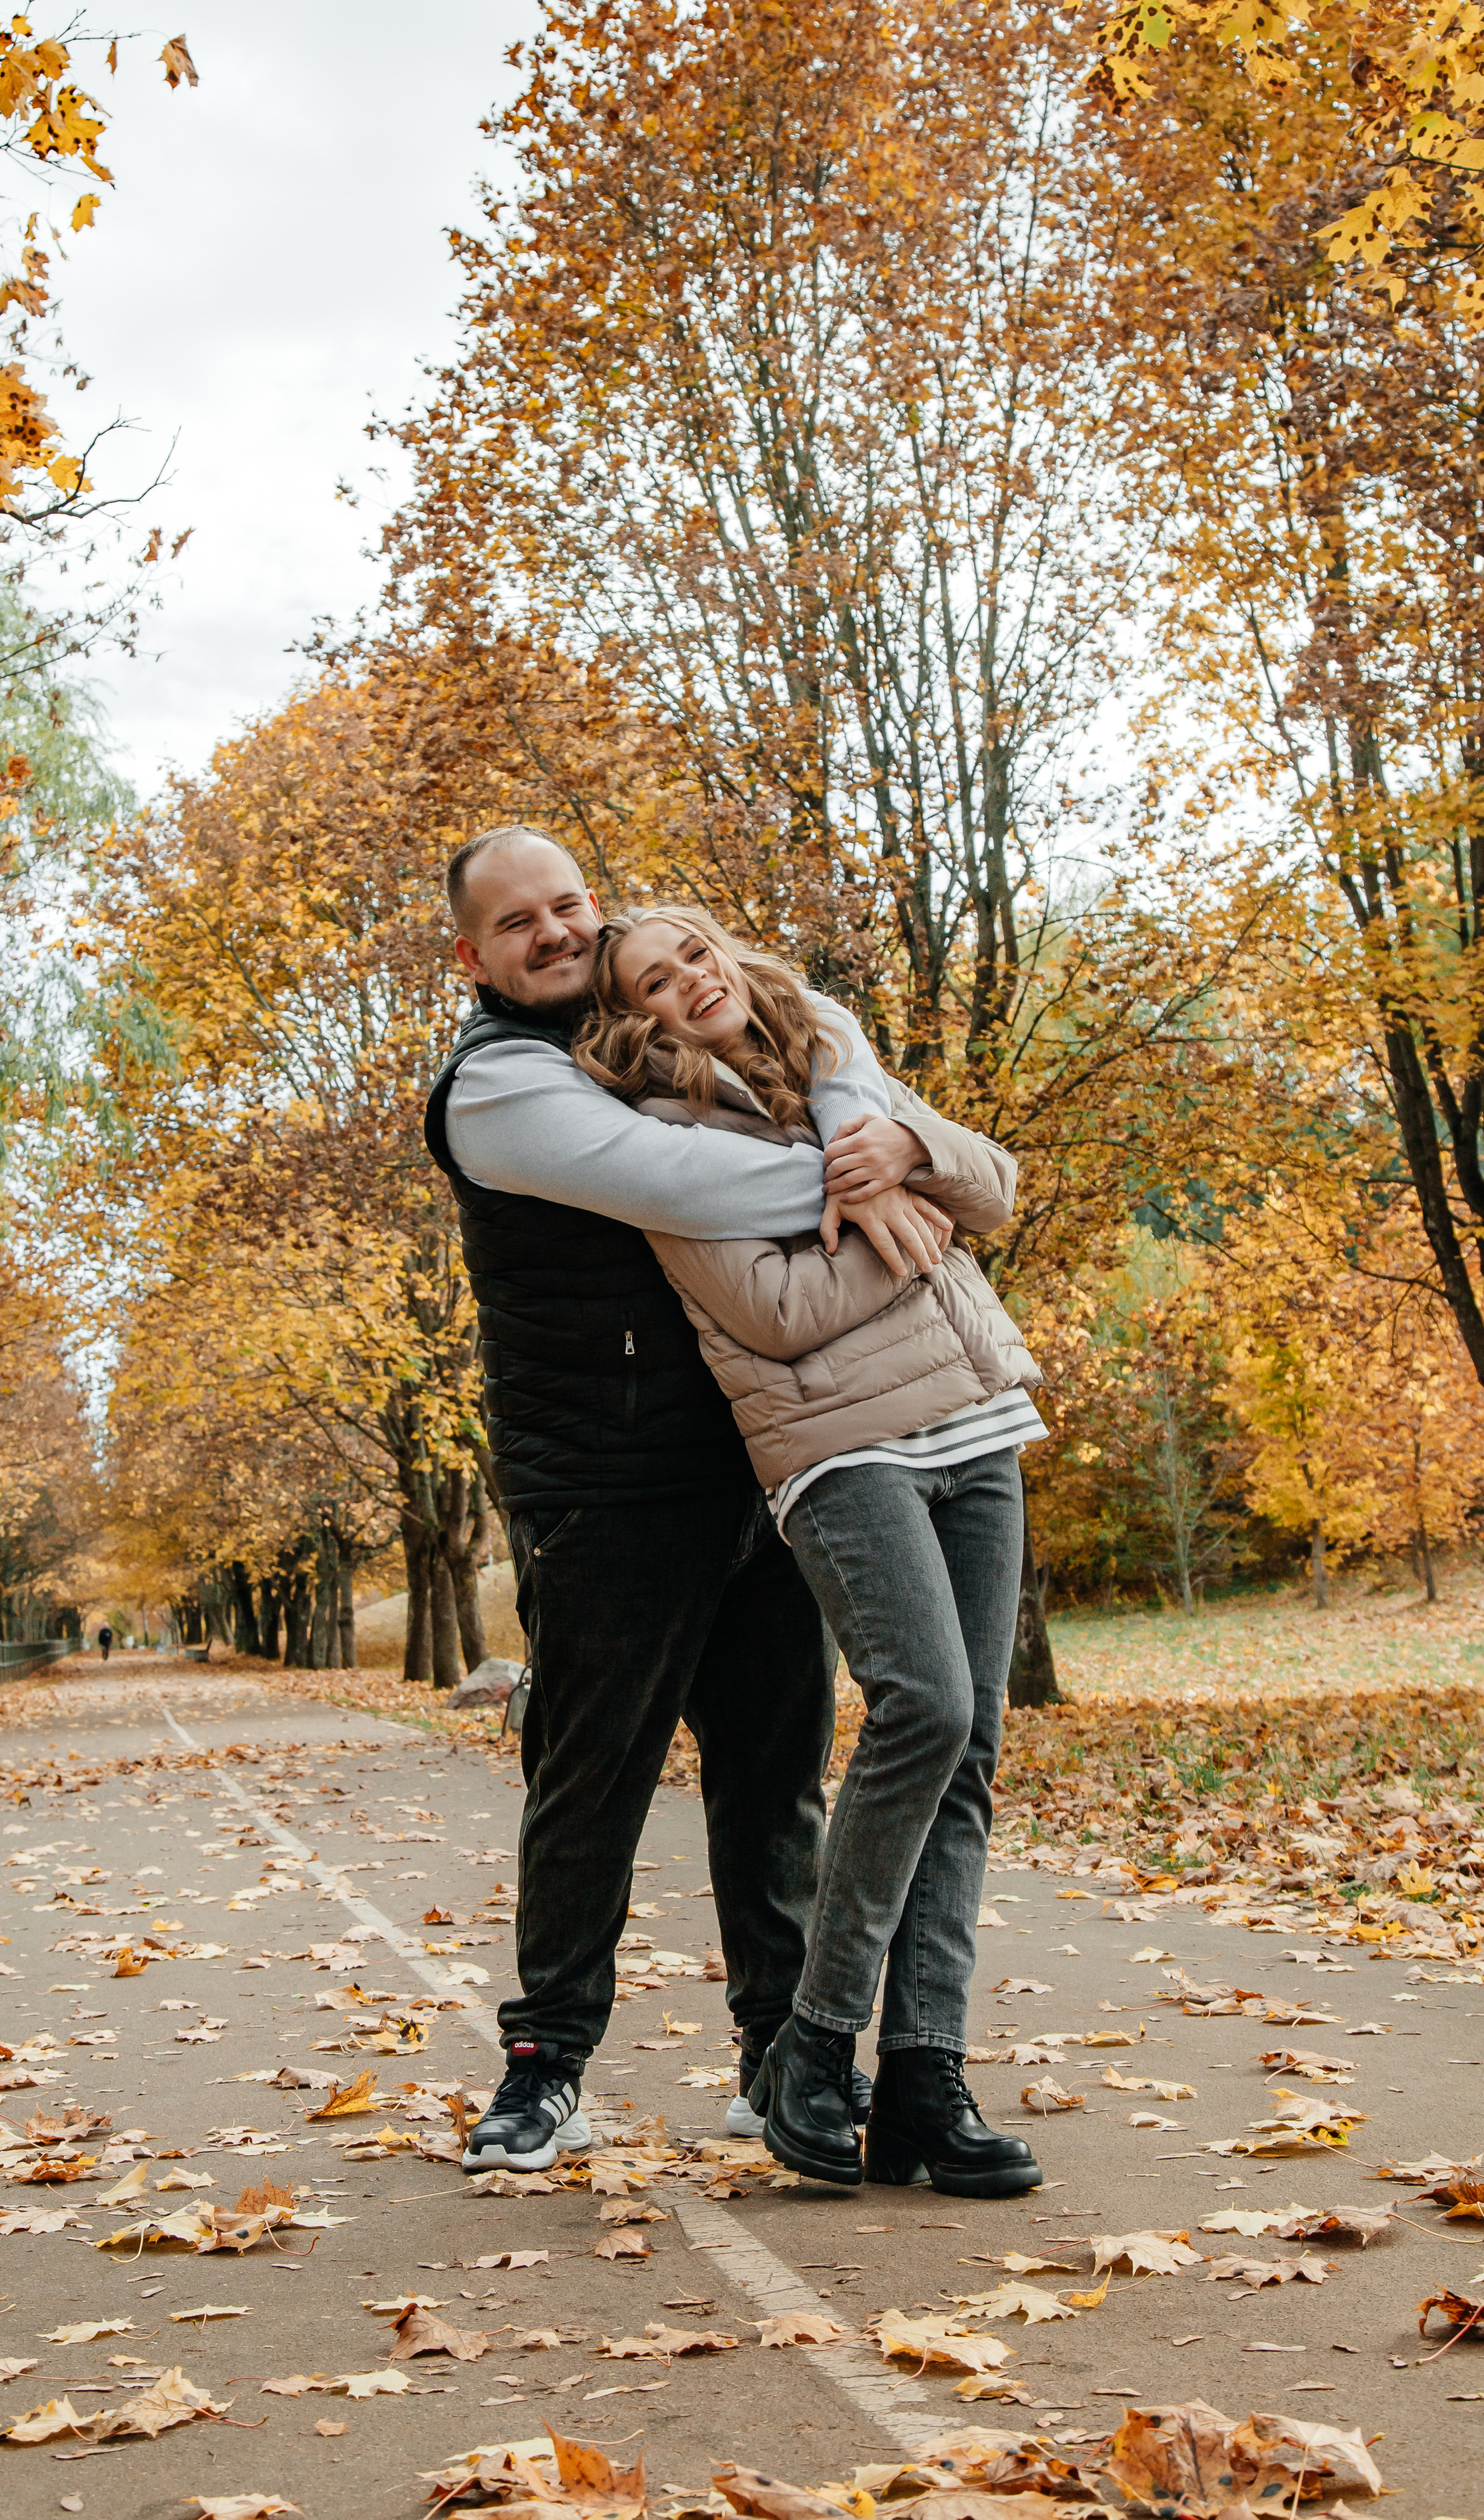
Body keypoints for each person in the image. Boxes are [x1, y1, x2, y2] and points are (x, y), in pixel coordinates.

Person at [423, 825, 947, 2174]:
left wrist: (873, 1121)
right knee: (592, 1774)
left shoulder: (644, 1022)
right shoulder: (496, 1084)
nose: (552, 932)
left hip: (757, 1453)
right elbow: (685, 1182)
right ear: (471, 956)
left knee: (776, 1777)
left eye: (565, 904)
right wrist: (873, 1161)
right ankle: (544, 2065)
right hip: (604, 1483)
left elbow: (810, 1025)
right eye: (515, 922)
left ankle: (775, 2055)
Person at [574, 902, 1047, 2195]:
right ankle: (814, 2046)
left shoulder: (837, 1068)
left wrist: (907, 1150)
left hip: (975, 1421)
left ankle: (925, 2081)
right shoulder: (663, 1144)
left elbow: (995, 1189)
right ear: (632, 1019)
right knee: (924, 1707)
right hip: (841, 1451)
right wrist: (910, 1228)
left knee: (966, 1754)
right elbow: (774, 1311)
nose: (690, 981)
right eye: (654, 981)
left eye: (694, 952)